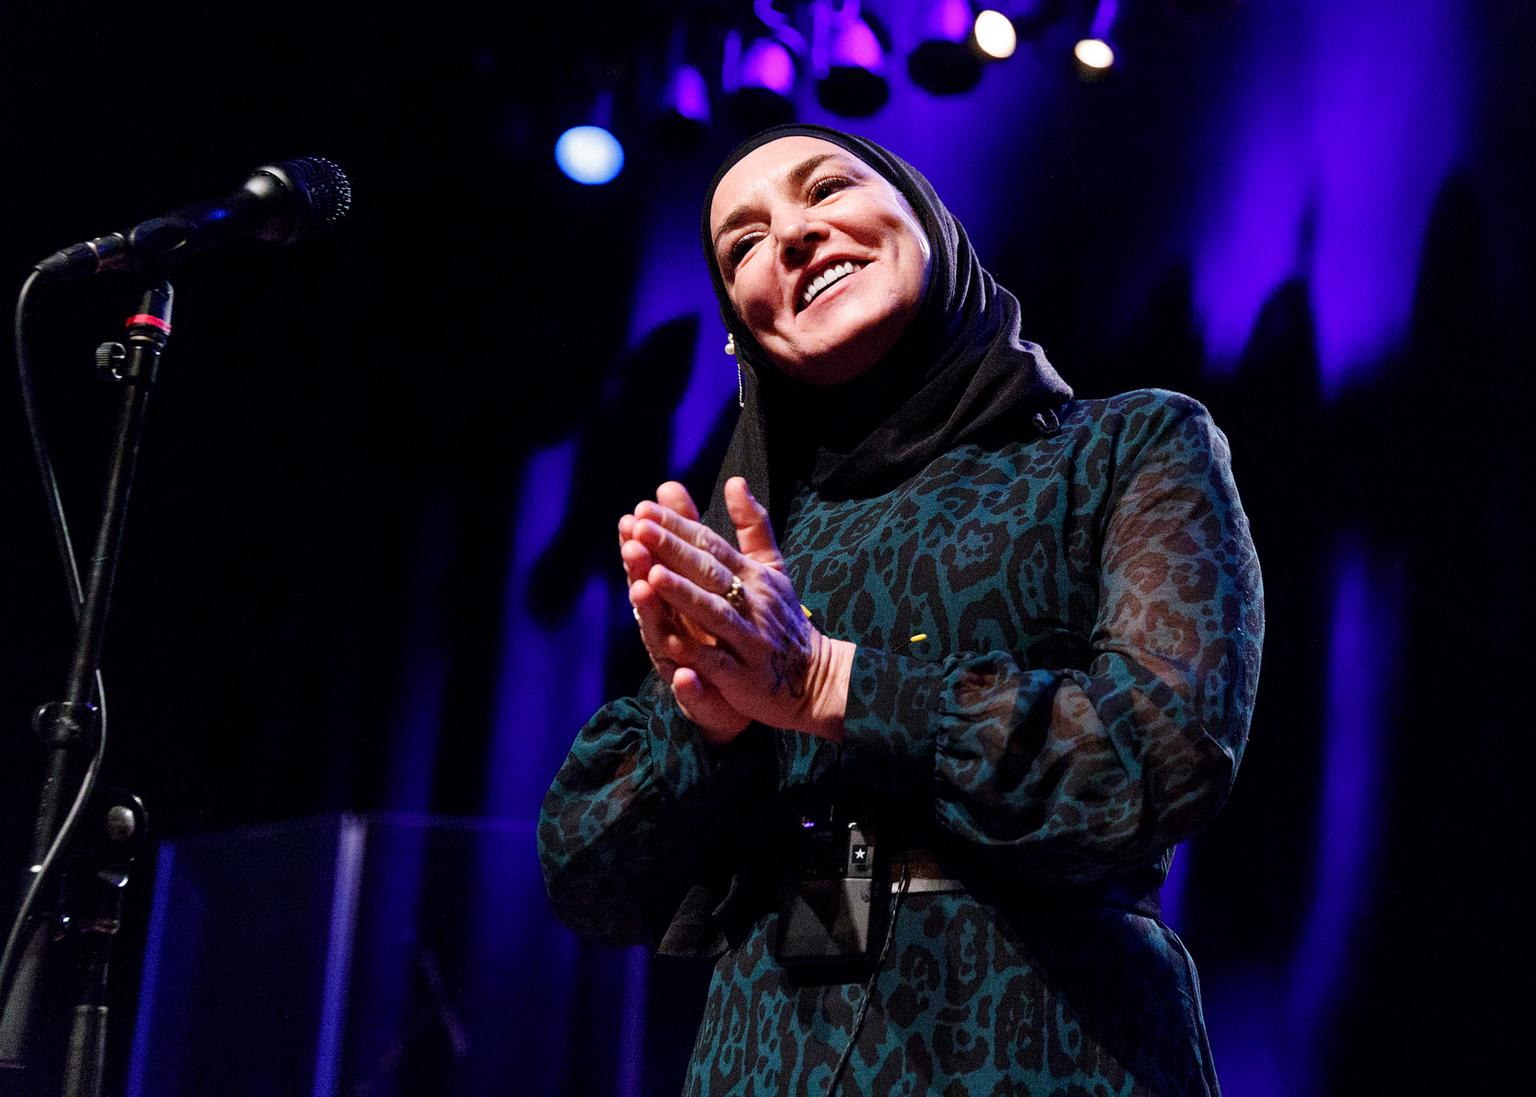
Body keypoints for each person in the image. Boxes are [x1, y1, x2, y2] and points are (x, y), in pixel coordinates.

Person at [538, 123, 1263, 1097]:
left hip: (1039, 1041)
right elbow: (585, 872)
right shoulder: (758, 535)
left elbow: (1161, 749)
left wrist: (832, 682)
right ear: (741, 327)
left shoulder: (1127, 447)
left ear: (925, 216)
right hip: (770, 1053)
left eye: (825, 188)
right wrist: (705, 731)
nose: (790, 236)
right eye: (742, 244)